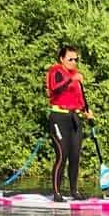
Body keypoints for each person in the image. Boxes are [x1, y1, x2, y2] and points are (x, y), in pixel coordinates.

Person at [45, 45, 93, 202]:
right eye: (70, 59)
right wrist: (72, 79)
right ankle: (57, 193)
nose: (73, 62)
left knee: (75, 156)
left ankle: (74, 191)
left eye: (76, 59)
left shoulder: (76, 75)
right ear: (62, 59)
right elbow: (56, 88)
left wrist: (86, 111)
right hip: (59, 117)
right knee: (62, 155)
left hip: (74, 118)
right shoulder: (56, 71)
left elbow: (80, 98)